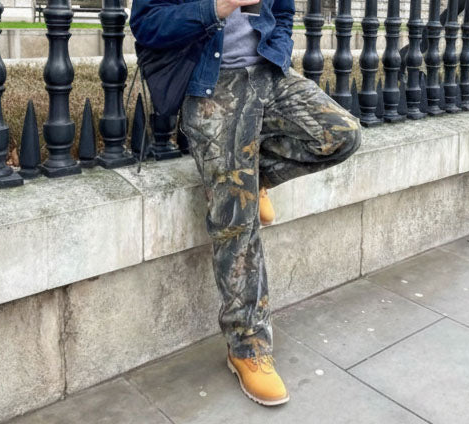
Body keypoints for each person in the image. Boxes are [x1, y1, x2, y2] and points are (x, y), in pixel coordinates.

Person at [129, 0, 361, 406]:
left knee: (340, 134)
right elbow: (147, 25)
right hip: (211, 86)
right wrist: (221, 6)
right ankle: (247, 346)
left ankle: (259, 179)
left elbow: (284, 11)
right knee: (235, 220)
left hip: (269, 74)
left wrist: (279, 50)